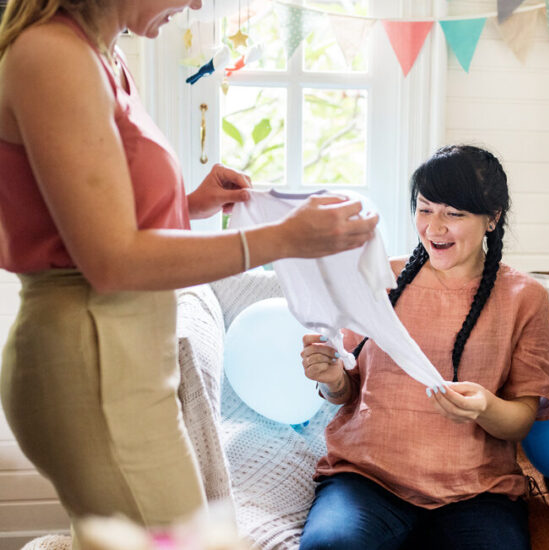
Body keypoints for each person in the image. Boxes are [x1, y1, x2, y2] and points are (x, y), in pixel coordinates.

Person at [0, 0, 378, 536]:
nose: (197, 3)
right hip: (92, 354)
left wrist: (186, 203)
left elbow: (94, 207)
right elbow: (108, 260)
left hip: (127, 357)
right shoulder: (51, 55)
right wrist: (281, 240)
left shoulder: (104, 56)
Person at [298, 144, 549, 550]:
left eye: (454, 214)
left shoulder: (525, 298)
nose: (435, 228)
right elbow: (345, 392)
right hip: (368, 480)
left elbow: (522, 419)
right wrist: (332, 379)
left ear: (493, 219)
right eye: (425, 209)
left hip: (477, 492)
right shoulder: (379, 279)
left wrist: (485, 407)